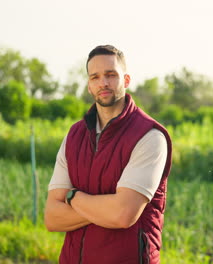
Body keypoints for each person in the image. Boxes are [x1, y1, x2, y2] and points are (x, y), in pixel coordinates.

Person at [44, 45, 172, 264]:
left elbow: (122, 214)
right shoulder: (75, 135)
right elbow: (52, 217)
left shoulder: (149, 136)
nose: (103, 82)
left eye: (111, 75)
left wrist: (73, 197)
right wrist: (104, 209)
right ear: (89, 85)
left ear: (127, 79)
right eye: (95, 77)